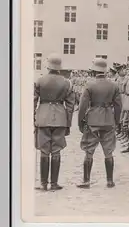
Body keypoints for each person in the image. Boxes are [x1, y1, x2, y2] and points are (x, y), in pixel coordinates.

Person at [76, 58, 122, 189]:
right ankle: (109, 181)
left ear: (94, 70)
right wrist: (116, 121)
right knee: (108, 152)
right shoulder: (114, 85)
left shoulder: (89, 85)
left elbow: (83, 106)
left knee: (89, 151)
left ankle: (86, 181)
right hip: (108, 120)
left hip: (93, 120)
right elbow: (118, 106)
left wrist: (80, 122)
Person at [34, 53, 76, 191]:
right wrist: (68, 124)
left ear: (48, 66)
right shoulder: (67, 83)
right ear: (59, 67)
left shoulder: (39, 80)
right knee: (56, 150)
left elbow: (33, 101)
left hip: (43, 117)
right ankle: (54, 183)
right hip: (60, 118)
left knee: (44, 151)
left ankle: (43, 183)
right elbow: (70, 106)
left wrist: (34, 118)